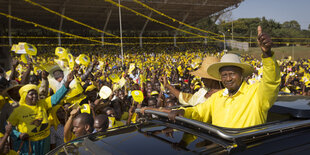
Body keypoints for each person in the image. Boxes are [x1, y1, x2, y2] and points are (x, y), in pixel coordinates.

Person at [168, 26, 281, 128]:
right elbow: (198, 112)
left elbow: (271, 82)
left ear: (241, 74)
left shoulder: (256, 94)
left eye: (232, 74)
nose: (228, 79)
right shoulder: (216, 98)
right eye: (224, 75)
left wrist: (267, 54)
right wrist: (183, 112)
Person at [7, 72, 74, 154]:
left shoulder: (43, 103)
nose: (35, 96)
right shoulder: (17, 111)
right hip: (29, 144)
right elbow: (9, 127)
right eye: (31, 94)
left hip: (44, 141)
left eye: (35, 93)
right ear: (24, 95)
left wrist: (67, 83)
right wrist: (19, 135)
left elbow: (56, 98)